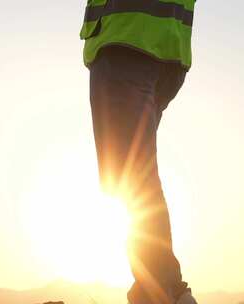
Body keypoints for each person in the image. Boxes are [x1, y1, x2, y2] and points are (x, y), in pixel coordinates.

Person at [79, 1, 198, 304]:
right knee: (130, 176)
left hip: (128, 40)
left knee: (129, 177)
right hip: (166, 43)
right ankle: (151, 290)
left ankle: (166, 290)